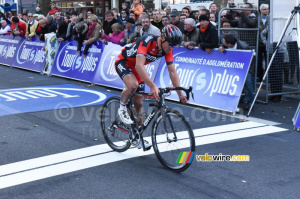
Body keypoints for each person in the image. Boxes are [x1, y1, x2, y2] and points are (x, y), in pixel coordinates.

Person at [114, 25, 188, 149]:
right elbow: (139, 65)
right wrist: (152, 86)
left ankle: (137, 136)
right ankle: (121, 108)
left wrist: (180, 94)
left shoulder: (168, 49)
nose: (171, 48)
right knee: (133, 85)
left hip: (138, 68)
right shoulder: (147, 40)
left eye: (173, 46)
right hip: (124, 62)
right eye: (170, 44)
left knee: (139, 103)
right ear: (162, 38)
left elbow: (172, 72)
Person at [218, 34, 254, 110]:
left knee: (248, 83)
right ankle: (231, 101)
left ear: (229, 44)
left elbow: (250, 60)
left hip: (245, 67)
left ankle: (250, 102)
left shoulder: (244, 47)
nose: (222, 42)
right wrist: (222, 46)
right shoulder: (227, 44)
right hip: (233, 67)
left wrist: (245, 70)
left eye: (224, 42)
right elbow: (223, 45)